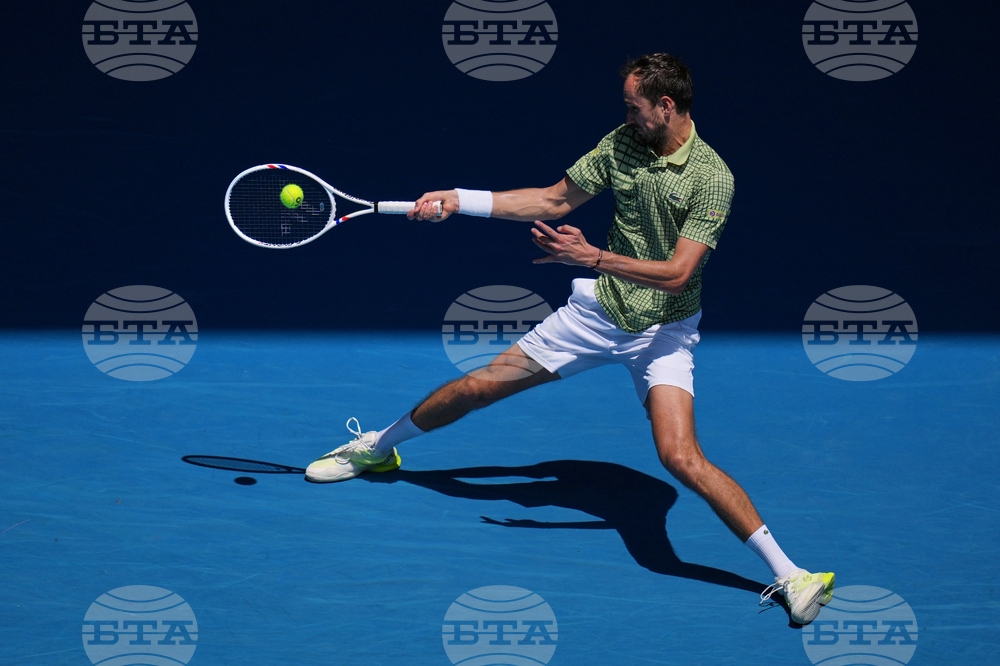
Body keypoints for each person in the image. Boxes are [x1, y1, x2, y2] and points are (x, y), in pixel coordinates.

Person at [305, 53, 834, 624]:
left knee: (680, 457)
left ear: (666, 105)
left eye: (634, 106)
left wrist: (593, 256)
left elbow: (680, 272)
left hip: (664, 333)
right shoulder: (623, 142)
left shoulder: (713, 178)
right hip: (596, 316)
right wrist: (462, 200)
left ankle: (792, 576)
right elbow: (554, 199)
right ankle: (378, 448)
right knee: (480, 386)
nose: (626, 115)